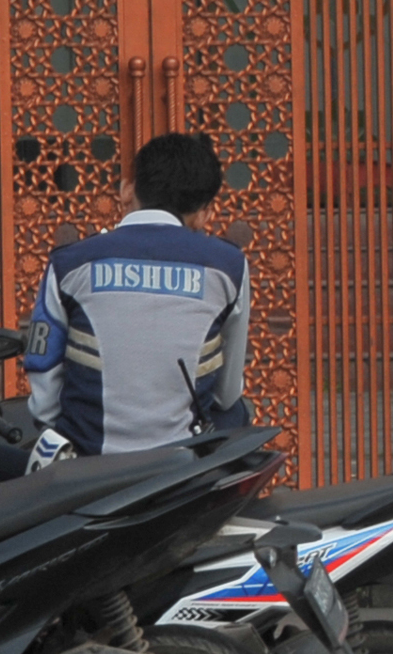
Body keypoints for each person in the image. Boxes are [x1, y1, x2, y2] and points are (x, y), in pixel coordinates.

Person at [28, 131, 254, 455]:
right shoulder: (228, 266)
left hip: (86, 458)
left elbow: (44, 377)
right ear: (204, 211)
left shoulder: (69, 262)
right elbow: (227, 392)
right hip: (182, 463)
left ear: (126, 190)